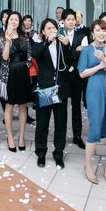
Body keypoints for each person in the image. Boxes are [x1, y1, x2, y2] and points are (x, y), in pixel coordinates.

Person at [78, 19, 106, 184]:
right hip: (95, 88)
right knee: (95, 127)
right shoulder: (87, 50)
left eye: (104, 30)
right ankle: (88, 165)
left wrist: (105, 59)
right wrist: (100, 65)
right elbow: (82, 73)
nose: (101, 33)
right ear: (92, 33)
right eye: (98, 30)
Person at [31, 18, 72, 168]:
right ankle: (41, 153)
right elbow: (35, 54)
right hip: (46, 88)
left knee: (61, 124)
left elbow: (69, 62)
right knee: (42, 123)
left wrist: (67, 46)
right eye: (48, 28)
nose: (52, 30)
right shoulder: (39, 45)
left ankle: (58, 154)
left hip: (60, 88)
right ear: (43, 31)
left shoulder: (62, 44)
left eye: (54, 28)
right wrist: (48, 41)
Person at [0, 11, 33, 152]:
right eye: (11, 19)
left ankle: (22, 137)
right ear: (7, 21)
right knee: (9, 105)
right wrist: (7, 40)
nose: (14, 22)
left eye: (16, 19)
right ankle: (10, 137)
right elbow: (5, 57)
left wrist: (25, 66)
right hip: (9, 73)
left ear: (20, 22)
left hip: (23, 73)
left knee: (23, 105)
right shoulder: (2, 37)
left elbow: (29, 55)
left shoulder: (25, 37)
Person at [60, 8, 86, 149]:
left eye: (73, 19)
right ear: (63, 21)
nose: (71, 22)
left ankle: (77, 136)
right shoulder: (59, 35)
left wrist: (71, 50)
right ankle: (61, 136)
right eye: (68, 19)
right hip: (63, 75)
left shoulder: (81, 35)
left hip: (76, 75)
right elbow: (60, 55)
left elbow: (82, 55)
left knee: (76, 106)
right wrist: (74, 50)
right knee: (62, 108)